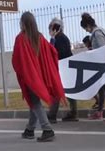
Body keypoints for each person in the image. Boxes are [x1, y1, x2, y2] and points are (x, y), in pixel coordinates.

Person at [12, 11, 65, 142]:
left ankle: (47, 129)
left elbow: (16, 59)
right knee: (33, 102)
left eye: (21, 22)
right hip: (39, 75)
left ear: (24, 24)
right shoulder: (39, 37)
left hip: (30, 76)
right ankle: (29, 130)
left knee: (34, 102)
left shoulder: (21, 38)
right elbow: (52, 51)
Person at [80, 13, 105, 121]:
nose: (86, 31)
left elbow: (102, 50)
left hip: (102, 65)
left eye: (85, 28)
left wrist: (92, 51)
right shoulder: (100, 31)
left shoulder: (97, 34)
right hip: (101, 65)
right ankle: (100, 112)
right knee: (101, 89)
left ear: (88, 25)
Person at [47, 18, 79, 123]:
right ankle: (73, 113)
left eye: (51, 27)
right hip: (66, 68)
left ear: (56, 27)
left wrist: (52, 39)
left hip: (62, 68)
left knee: (56, 90)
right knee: (69, 91)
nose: (50, 29)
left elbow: (55, 53)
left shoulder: (58, 38)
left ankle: (52, 114)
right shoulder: (62, 37)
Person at [82, 35, 100, 109]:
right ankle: (98, 102)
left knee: (93, 89)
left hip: (94, 72)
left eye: (85, 43)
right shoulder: (91, 49)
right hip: (93, 72)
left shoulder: (92, 50)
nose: (85, 45)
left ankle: (98, 102)